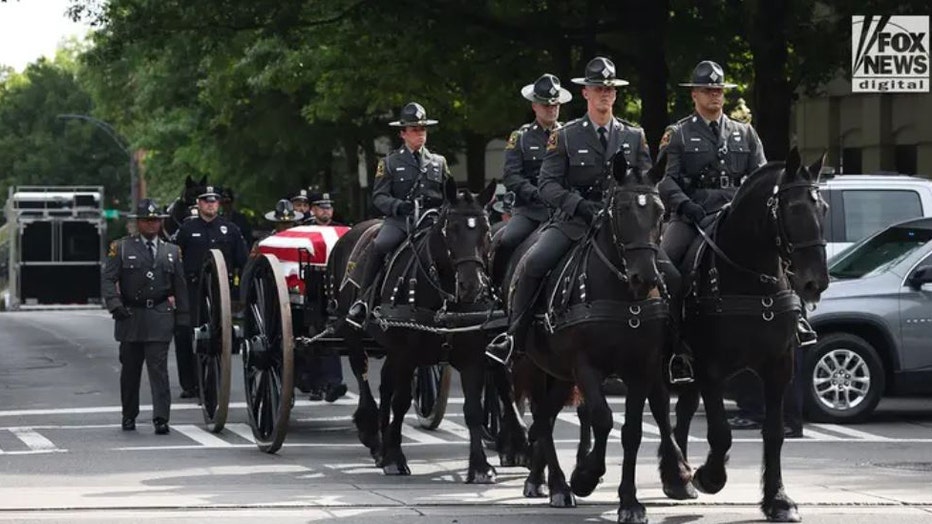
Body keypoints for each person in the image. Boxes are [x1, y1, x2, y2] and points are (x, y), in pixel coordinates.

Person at [485, 56, 651, 365]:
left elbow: (646, 182)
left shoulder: (633, 136)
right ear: (586, 92)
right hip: (573, 220)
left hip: (621, 224)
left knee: (667, 272)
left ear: (615, 94)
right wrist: (580, 206)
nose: (605, 93)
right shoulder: (565, 136)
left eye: (610, 89)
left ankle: (672, 346)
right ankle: (514, 336)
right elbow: (548, 184)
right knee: (533, 262)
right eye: (598, 88)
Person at [657, 60, 815, 382]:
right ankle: (675, 345)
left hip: (736, 218)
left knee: (784, 255)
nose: (714, 95)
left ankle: (797, 321)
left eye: (718, 90)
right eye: (707, 90)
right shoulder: (679, 134)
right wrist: (687, 207)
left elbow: (760, 178)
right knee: (668, 267)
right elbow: (666, 181)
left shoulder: (745, 132)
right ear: (695, 96)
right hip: (694, 218)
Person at [345, 102, 452, 328]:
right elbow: (379, 196)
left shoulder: (438, 162)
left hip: (431, 222)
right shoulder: (390, 162)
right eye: (414, 129)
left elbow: (448, 194)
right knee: (380, 245)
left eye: (422, 129)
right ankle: (363, 300)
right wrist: (397, 206)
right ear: (403, 133)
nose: (420, 134)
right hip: (401, 221)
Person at [102, 199, 188, 435]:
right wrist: (114, 304)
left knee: (159, 370)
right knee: (130, 370)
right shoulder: (121, 248)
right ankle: (129, 414)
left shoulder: (172, 251)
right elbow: (108, 279)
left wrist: (183, 318)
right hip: (130, 315)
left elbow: (180, 286)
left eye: (156, 220)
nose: (152, 224)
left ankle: (161, 417)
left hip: (159, 315)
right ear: (138, 222)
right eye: (147, 220)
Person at [491, 73, 571, 285]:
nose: (551, 109)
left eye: (555, 105)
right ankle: (497, 288)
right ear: (535, 106)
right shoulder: (522, 137)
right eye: (546, 105)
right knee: (508, 240)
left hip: (563, 208)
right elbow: (511, 176)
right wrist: (535, 193)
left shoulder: (569, 135)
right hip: (531, 210)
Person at [173, 186, 249, 398]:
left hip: (220, 290)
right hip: (193, 289)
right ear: (199, 203)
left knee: (218, 337)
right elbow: (175, 260)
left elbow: (242, 261)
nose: (210, 204)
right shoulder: (187, 229)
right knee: (187, 335)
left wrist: (241, 293)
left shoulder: (230, 229)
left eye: (214, 201)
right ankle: (190, 384)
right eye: (206, 201)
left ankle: (213, 381)